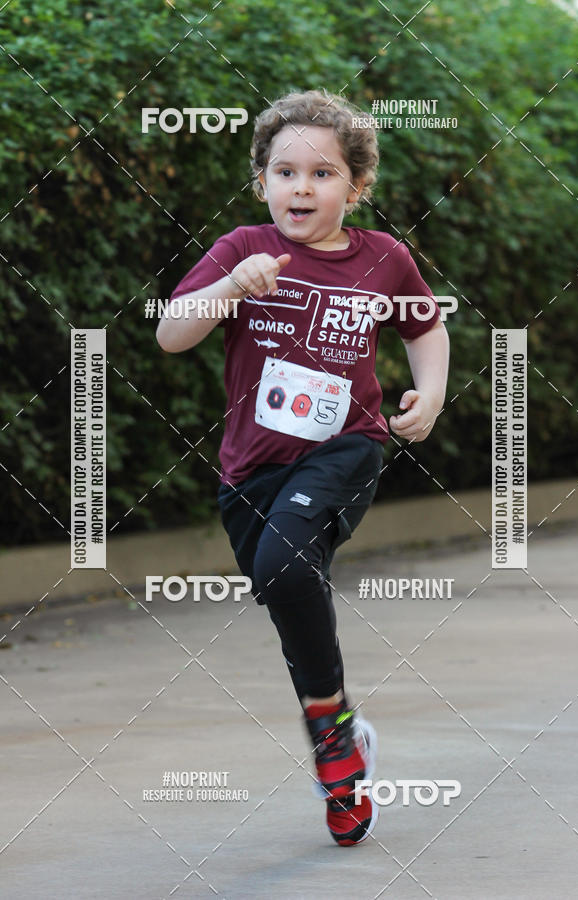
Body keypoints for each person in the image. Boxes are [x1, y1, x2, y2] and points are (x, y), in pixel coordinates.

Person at [157, 89, 450, 846]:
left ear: (355, 188)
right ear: (262, 182)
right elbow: (171, 335)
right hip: (250, 471)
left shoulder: (384, 258)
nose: (301, 188)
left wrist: (433, 394)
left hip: (348, 445)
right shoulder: (240, 248)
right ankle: (342, 735)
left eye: (322, 175)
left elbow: (426, 325)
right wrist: (230, 286)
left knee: (286, 568)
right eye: (285, 172)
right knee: (287, 590)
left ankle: (331, 751)